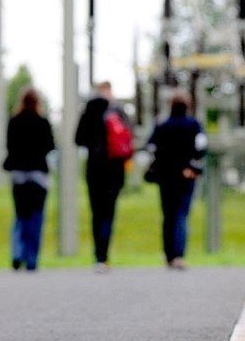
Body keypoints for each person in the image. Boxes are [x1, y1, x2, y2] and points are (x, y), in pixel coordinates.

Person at [146, 90, 208, 270]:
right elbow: (202, 147)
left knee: (168, 215)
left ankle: (168, 254)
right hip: (186, 175)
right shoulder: (194, 125)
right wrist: (192, 165)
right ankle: (179, 255)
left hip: (165, 177)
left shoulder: (162, 124)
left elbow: (151, 146)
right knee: (181, 214)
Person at [75, 81, 131, 273]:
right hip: (114, 170)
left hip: (94, 170)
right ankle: (103, 255)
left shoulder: (88, 111)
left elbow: (78, 139)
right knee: (109, 213)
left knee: (96, 213)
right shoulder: (118, 111)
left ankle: (97, 255)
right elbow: (128, 138)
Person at [3, 86, 55, 271]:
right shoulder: (43, 122)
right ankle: (31, 259)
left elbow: (9, 145)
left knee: (20, 216)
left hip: (18, 176)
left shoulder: (14, 121)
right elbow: (50, 146)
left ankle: (17, 253)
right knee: (36, 218)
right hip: (38, 176)